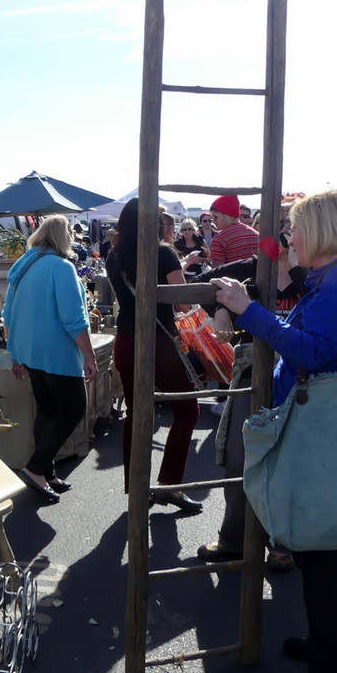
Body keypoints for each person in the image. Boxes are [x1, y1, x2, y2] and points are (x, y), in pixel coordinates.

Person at [211, 189, 337, 673]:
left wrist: (247, 309)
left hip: (328, 429)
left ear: (322, 230)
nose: (291, 235)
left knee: (322, 551)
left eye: (296, 226)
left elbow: (313, 350)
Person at [193, 235, 308, 571]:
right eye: (283, 225)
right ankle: (233, 540)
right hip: (251, 373)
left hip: (297, 377)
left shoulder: (314, 273)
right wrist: (220, 311)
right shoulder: (250, 269)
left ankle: (283, 542)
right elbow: (200, 282)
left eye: (293, 224)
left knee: (289, 462)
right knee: (238, 459)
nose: (289, 233)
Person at [106, 198, 201, 511]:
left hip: (126, 340)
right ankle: (170, 485)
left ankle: (136, 488)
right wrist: (184, 267)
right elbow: (184, 300)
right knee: (187, 411)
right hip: (159, 342)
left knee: (137, 413)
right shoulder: (163, 252)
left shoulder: (114, 255)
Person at [2, 215, 98, 503]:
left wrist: (14, 354)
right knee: (72, 410)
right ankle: (35, 469)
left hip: (30, 353)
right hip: (57, 353)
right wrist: (89, 355)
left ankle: (47, 470)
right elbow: (74, 319)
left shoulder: (24, 266)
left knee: (47, 410)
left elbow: (7, 316)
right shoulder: (61, 267)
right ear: (63, 237)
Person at [208, 194, 259, 267]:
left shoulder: (219, 239)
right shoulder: (257, 235)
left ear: (228, 215)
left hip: (230, 278)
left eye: (215, 217)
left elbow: (215, 272)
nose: (213, 221)